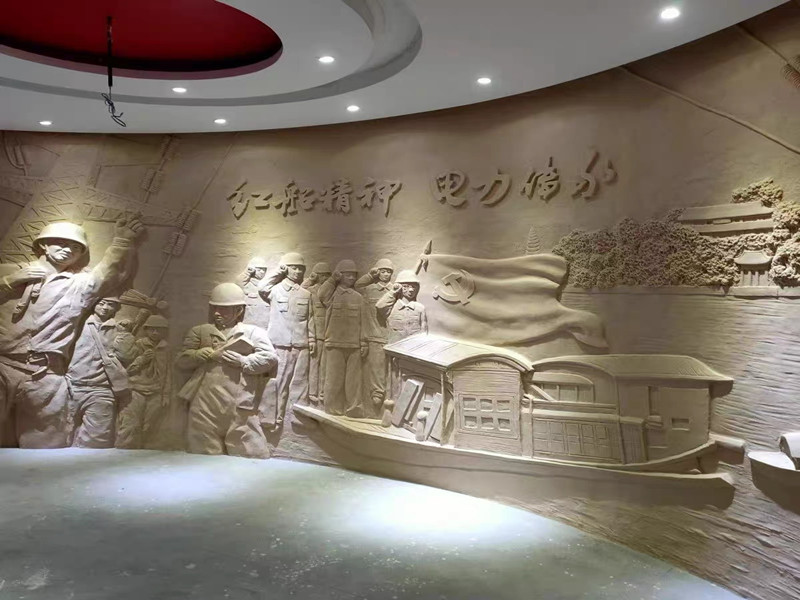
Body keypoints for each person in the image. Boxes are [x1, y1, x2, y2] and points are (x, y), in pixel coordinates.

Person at [0, 217, 144, 448]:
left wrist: (122, 241)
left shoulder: (77, 285)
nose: (68, 250)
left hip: (45, 374)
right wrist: (9, 281)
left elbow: (110, 273)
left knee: (47, 444)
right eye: (61, 243)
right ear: (44, 244)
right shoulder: (8, 272)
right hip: (3, 367)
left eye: (76, 248)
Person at [176, 283, 277, 458]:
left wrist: (243, 361)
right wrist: (199, 355)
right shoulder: (200, 332)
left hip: (240, 405)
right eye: (215, 308)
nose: (217, 313)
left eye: (223, 309)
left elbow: (270, 358)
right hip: (205, 405)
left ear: (238, 310)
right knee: (202, 455)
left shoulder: (252, 332)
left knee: (252, 454)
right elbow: (181, 361)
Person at [67, 296, 135, 448]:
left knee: (96, 440)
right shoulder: (78, 324)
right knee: (60, 434)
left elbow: (127, 356)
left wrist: (124, 334)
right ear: (94, 304)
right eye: (102, 303)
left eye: (110, 305)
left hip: (102, 389)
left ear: (116, 308)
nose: (105, 308)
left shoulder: (118, 329)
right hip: (72, 386)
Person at [258, 252, 315, 429]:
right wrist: (278, 271)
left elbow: (311, 319)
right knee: (278, 382)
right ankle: (273, 418)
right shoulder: (275, 290)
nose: (297, 272)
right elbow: (262, 287)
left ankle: (298, 418)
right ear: (286, 269)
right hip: (280, 344)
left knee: (300, 382)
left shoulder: (306, 294)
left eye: (300, 269)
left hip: (301, 344)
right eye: (294, 268)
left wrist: (312, 339)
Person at [318, 260, 368, 417]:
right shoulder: (331, 295)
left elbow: (363, 321)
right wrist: (332, 279)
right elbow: (321, 294)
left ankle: (354, 408)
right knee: (334, 378)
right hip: (334, 343)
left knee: (354, 380)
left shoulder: (358, 298)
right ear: (340, 276)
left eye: (353, 275)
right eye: (347, 275)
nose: (351, 278)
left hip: (354, 345)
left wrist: (363, 342)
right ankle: (332, 407)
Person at [116, 314, 173, 449]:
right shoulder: (138, 345)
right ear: (146, 330)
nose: (155, 333)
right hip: (136, 390)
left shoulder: (166, 349)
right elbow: (128, 371)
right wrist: (142, 359)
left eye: (159, 330)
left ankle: (146, 454)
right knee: (131, 424)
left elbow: (168, 374)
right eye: (152, 329)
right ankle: (125, 451)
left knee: (150, 426)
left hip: (156, 391)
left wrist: (166, 394)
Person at [355, 259, 394, 416]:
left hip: (392, 338)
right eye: (383, 271)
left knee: (391, 372)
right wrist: (370, 276)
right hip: (374, 336)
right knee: (375, 369)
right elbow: (357, 287)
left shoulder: (395, 290)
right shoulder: (370, 290)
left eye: (389, 271)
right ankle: (376, 396)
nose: (386, 274)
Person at [302, 262, 331, 404]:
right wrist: (310, 279)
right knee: (314, 364)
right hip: (316, 333)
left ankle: (323, 392)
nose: (324, 278)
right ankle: (312, 391)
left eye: (327, 275)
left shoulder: (331, 290)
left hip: (329, 333)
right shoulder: (310, 291)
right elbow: (299, 292)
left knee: (326, 365)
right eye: (321, 275)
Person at [377, 269, 428, 344]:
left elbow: (424, 331)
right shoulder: (391, 307)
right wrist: (393, 292)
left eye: (414, 287)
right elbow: (379, 306)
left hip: (413, 346)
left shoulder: (420, 308)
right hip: (395, 347)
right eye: (405, 286)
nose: (411, 289)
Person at [238, 256, 271, 328]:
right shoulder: (247, 285)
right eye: (259, 270)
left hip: (264, 323)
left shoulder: (267, 286)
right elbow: (238, 283)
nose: (262, 272)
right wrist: (248, 272)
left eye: (264, 270)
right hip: (249, 323)